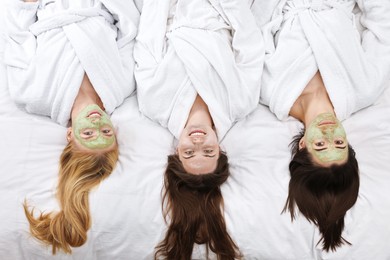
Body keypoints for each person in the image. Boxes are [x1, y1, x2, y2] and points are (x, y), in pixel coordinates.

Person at [4, 0, 139, 254]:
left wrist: (26, 6)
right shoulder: (122, 86)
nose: (97, 124)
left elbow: (17, 38)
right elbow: (129, 31)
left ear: (69, 135)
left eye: (88, 133)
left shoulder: (33, 95)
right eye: (106, 132)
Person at [256, 0, 390, 252]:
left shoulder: (268, 90)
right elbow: (384, 25)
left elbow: (257, 27)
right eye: (339, 143)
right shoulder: (364, 89)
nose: (329, 133)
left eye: (320, 144)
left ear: (303, 144)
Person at [134, 0, 264, 258]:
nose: (197, 143)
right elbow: (249, 45)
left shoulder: (154, 103)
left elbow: (149, 38)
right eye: (208, 151)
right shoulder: (240, 103)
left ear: (176, 152)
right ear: (220, 149)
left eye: (189, 153)